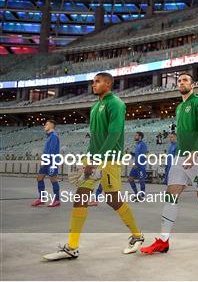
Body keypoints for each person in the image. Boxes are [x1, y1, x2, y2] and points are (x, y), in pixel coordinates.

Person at [44, 72, 143, 261]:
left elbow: (114, 134)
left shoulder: (116, 104)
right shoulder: (95, 106)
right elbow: (95, 137)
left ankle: (137, 235)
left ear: (108, 83)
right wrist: (88, 158)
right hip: (94, 158)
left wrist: (96, 159)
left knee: (113, 200)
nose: (93, 85)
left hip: (109, 159)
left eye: (97, 81)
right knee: (81, 196)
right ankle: (72, 247)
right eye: (93, 82)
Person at [140, 73, 198, 254]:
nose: (181, 83)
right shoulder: (179, 107)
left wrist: (195, 152)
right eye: (179, 80)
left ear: (193, 84)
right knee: (171, 195)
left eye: (185, 80)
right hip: (180, 157)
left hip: (197, 156)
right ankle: (163, 240)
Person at [31, 119, 61, 207]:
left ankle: (57, 200)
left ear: (52, 125)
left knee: (53, 179)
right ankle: (42, 198)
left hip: (52, 162)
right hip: (47, 161)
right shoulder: (49, 136)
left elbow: (51, 150)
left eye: (46, 124)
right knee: (39, 178)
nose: (45, 126)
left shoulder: (54, 136)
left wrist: (45, 160)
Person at [128, 131, 148, 201]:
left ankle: (142, 196)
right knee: (130, 179)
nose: (134, 137)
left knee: (141, 180)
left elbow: (142, 156)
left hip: (141, 165)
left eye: (136, 135)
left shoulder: (143, 145)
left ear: (139, 137)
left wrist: (137, 164)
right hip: (136, 165)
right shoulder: (137, 144)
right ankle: (137, 194)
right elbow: (137, 155)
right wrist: (132, 154)